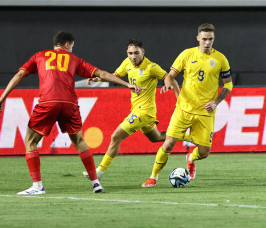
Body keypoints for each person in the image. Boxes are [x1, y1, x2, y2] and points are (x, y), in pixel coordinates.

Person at [0, 31, 144, 195]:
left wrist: (3, 97)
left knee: (30, 141)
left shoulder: (39, 56)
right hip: (70, 104)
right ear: (67, 45)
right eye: (72, 47)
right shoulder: (74, 60)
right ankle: (96, 183)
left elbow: (20, 74)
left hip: (48, 102)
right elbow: (102, 74)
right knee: (79, 141)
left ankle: (37, 186)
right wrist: (127, 84)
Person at [82, 38, 190, 180]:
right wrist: (98, 79)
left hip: (144, 112)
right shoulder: (127, 63)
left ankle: (99, 172)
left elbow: (169, 78)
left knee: (115, 137)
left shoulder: (151, 67)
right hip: (138, 110)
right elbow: (114, 76)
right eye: (130, 53)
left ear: (142, 52)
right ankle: (192, 137)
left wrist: (177, 97)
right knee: (156, 138)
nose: (133, 57)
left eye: (136, 53)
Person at [142, 23, 233, 187]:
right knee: (168, 143)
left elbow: (228, 85)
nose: (207, 42)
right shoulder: (186, 54)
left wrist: (216, 103)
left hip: (205, 112)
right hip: (183, 109)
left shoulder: (221, 59)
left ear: (214, 39)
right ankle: (153, 177)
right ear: (198, 38)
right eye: (204, 39)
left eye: (210, 39)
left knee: (204, 152)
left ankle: (190, 158)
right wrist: (168, 83)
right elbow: (170, 75)